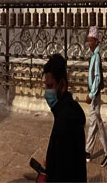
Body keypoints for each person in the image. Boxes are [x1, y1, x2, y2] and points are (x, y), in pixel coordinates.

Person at [42, 53, 87, 182]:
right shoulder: (68, 110)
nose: (47, 92)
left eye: (50, 86)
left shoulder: (65, 120)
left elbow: (64, 172)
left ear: (62, 85)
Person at [84, 26, 107, 166]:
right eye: (88, 41)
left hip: (94, 94)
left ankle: (103, 152)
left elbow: (97, 78)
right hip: (93, 93)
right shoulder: (93, 56)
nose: (88, 43)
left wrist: (91, 94)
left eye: (90, 41)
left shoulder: (97, 57)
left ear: (96, 41)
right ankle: (91, 151)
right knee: (95, 122)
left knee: (96, 122)